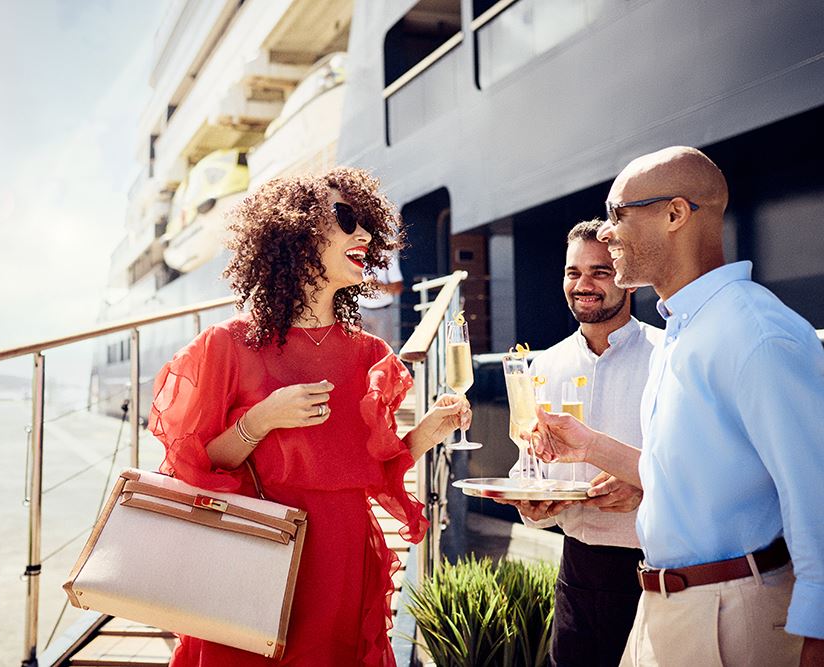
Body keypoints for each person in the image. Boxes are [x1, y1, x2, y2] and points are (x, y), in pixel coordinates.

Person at [147, 167, 472, 667]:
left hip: (342, 558)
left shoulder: (369, 354)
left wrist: (429, 431)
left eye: (367, 223)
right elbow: (197, 465)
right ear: (295, 233)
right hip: (256, 547)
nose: (363, 233)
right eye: (345, 219)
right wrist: (262, 419)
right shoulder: (228, 345)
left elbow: (374, 470)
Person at [529, 146, 824, 666]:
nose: (609, 231)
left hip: (732, 614)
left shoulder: (754, 333)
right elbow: (679, 477)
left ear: (675, 213)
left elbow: (817, 492)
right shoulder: (685, 331)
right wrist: (589, 444)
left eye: (618, 213)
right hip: (665, 607)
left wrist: (818, 638)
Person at [498, 219, 660, 666]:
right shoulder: (542, 366)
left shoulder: (668, 356)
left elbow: (698, 469)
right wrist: (530, 505)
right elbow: (528, 468)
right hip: (577, 572)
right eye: (574, 272)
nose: (583, 284)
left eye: (600, 272)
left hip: (656, 568)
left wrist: (645, 489)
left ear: (626, 279)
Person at [357, 252, 404, 347]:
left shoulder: (388, 257)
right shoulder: (357, 255)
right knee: (358, 349)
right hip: (360, 311)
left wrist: (377, 285)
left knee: (382, 351)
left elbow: (398, 288)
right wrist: (362, 284)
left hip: (382, 312)